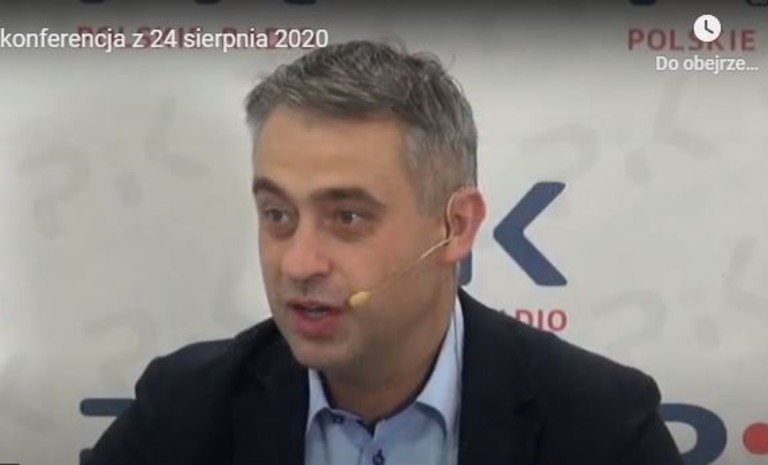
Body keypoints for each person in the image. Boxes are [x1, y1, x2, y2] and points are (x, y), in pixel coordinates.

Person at [86, 40, 683, 465]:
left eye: (348, 217)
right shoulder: (184, 409)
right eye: (278, 215)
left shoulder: (601, 426)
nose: (298, 264)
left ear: (456, 227)